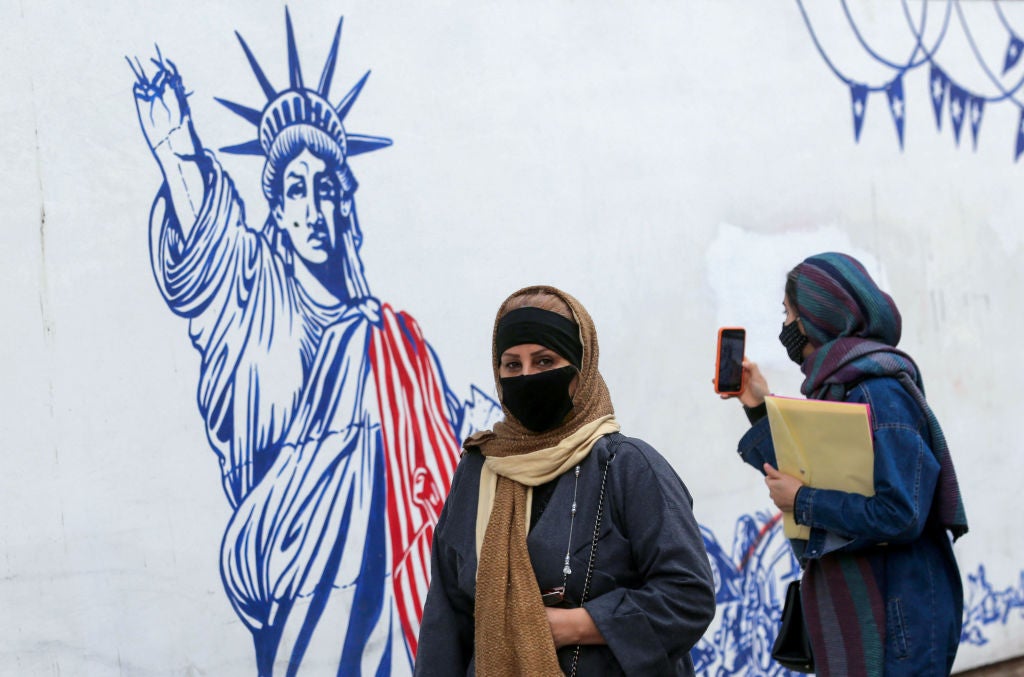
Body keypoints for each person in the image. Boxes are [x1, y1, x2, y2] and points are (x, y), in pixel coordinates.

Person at [129, 14, 475, 674]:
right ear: (278, 208)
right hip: (288, 584)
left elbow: (441, 473)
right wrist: (176, 146)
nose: (313, 207)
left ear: (345, 204)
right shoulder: (251, 297)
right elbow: (207, 234)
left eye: (326, 188)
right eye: (295, 189)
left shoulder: (393, 342)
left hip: (392, 613)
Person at [415, 286, 716, 676]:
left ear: (581, 368)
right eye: (512, 365)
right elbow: (447, 612)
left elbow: (687, 596)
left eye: (544, 361)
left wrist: (572, 626)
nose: (527, 377)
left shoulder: (628, 466)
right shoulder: (479, 470)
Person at [726, 252, 968, 676]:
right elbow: (811, 472)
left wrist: (803, 502)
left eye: (788, 313)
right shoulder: (838, 389)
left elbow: (902, 513)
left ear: (817, 317)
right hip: (870, 607)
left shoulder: (878, 393)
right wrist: (759, 407)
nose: (784, 326)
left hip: (898, 615)